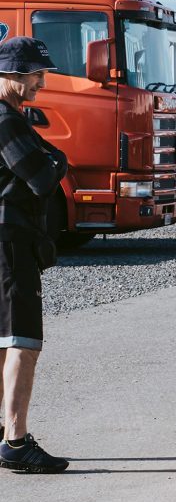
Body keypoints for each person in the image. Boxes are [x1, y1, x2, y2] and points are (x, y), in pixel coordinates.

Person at [0, 37, 69, 473]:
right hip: (11, 240)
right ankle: (16, 440)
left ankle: (6, 433)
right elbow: (44, 177)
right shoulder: (6, 121)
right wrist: (57, 159)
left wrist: (52, 158)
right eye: (33, 74)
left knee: (5, 340)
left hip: (6, 236)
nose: (41, 83)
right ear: (8, 73)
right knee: (24, 340)